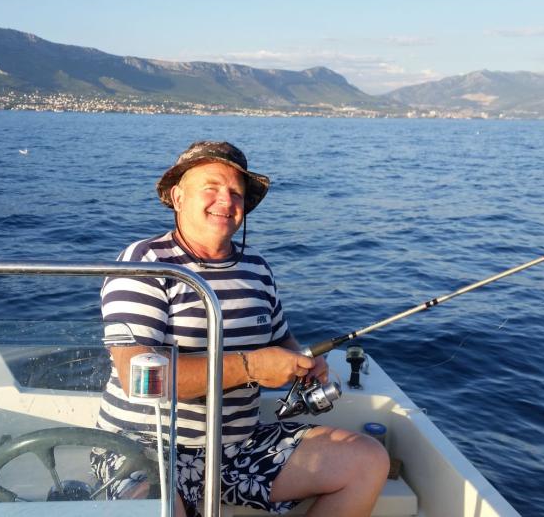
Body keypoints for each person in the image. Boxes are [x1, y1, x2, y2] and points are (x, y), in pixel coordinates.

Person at [93, 141, 389, 517]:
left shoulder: (257, 269)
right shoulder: (144, 263)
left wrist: (303, 363)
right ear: (178, 197)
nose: (226, 200)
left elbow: (282, 340)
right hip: (142, 448)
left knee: (366, 460)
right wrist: (250, 367)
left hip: (236, 449)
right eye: (212, 187)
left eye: (236, 193)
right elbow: (139, 380)